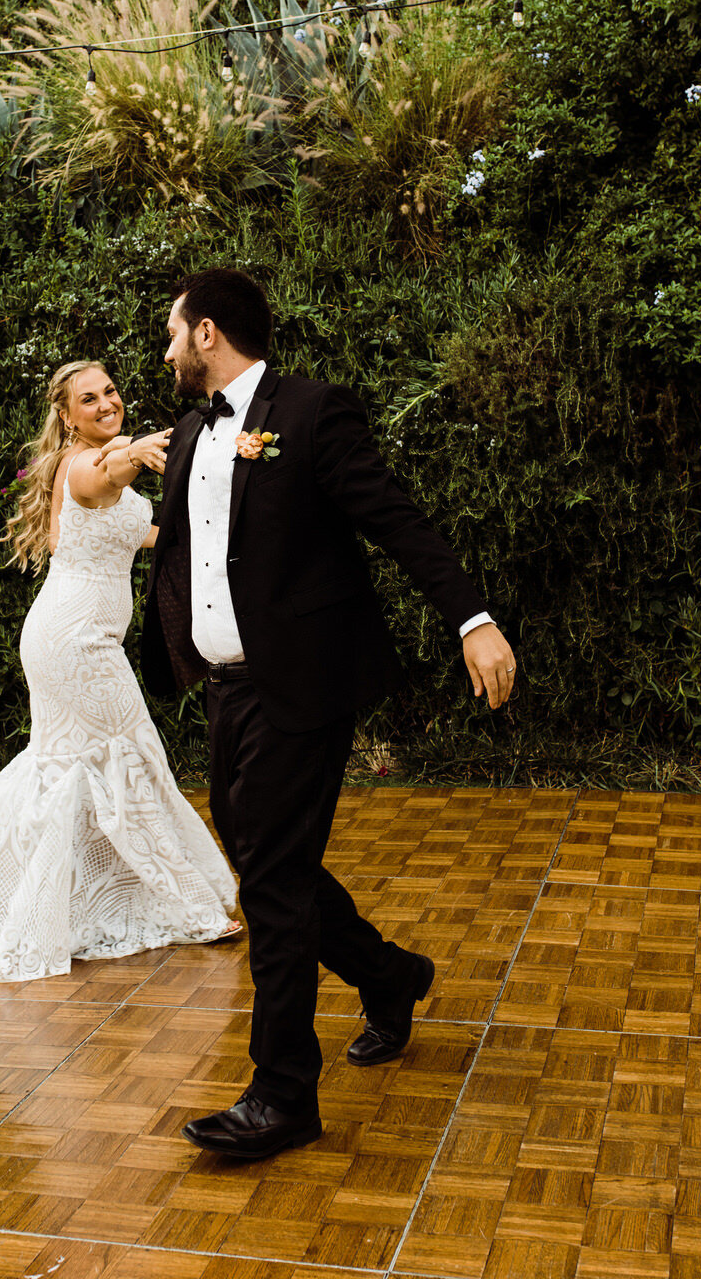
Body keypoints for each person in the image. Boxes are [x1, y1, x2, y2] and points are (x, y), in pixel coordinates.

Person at [138, 270, 516, 1159]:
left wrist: (473, 618)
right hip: (225, 688)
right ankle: (391, 977)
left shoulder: (310, 412)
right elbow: (188, 549)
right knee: (277, 869)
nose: (164, 351)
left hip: (300, 686)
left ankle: (282, 1095)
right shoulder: (192, 430)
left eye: (171, 333)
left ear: (207, 333)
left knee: (269, 884)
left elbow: (395, 519)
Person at [0, 359, 237, 983]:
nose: (104, 403)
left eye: (110, 391)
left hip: (74, 640)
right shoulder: (85, 467)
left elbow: (149, 531)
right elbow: (105, 474)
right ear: (66, 417)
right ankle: (192, 908)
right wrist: (136, 451)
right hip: (75, 642)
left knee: (73, 767)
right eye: (88, 399)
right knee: (129, 753)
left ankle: (47, 905)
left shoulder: (105, 467)